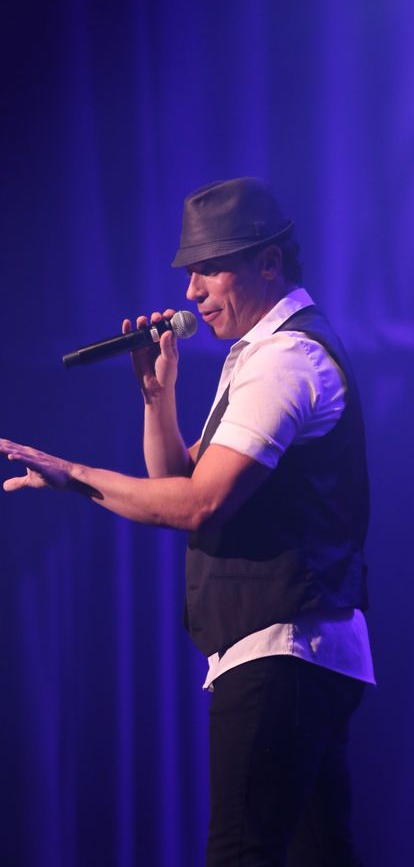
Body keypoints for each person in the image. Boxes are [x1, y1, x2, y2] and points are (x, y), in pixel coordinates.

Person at [0, 177, 374, 866]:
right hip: (300, 649)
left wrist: (71, 473)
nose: (191, 292)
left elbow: (200, 503)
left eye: (209, 269)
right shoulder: (262, 355)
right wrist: (158, 395)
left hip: (284, 648)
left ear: (269, 262)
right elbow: (174, 480)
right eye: (189, 273)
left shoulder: (285, 361)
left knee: (241, 852)